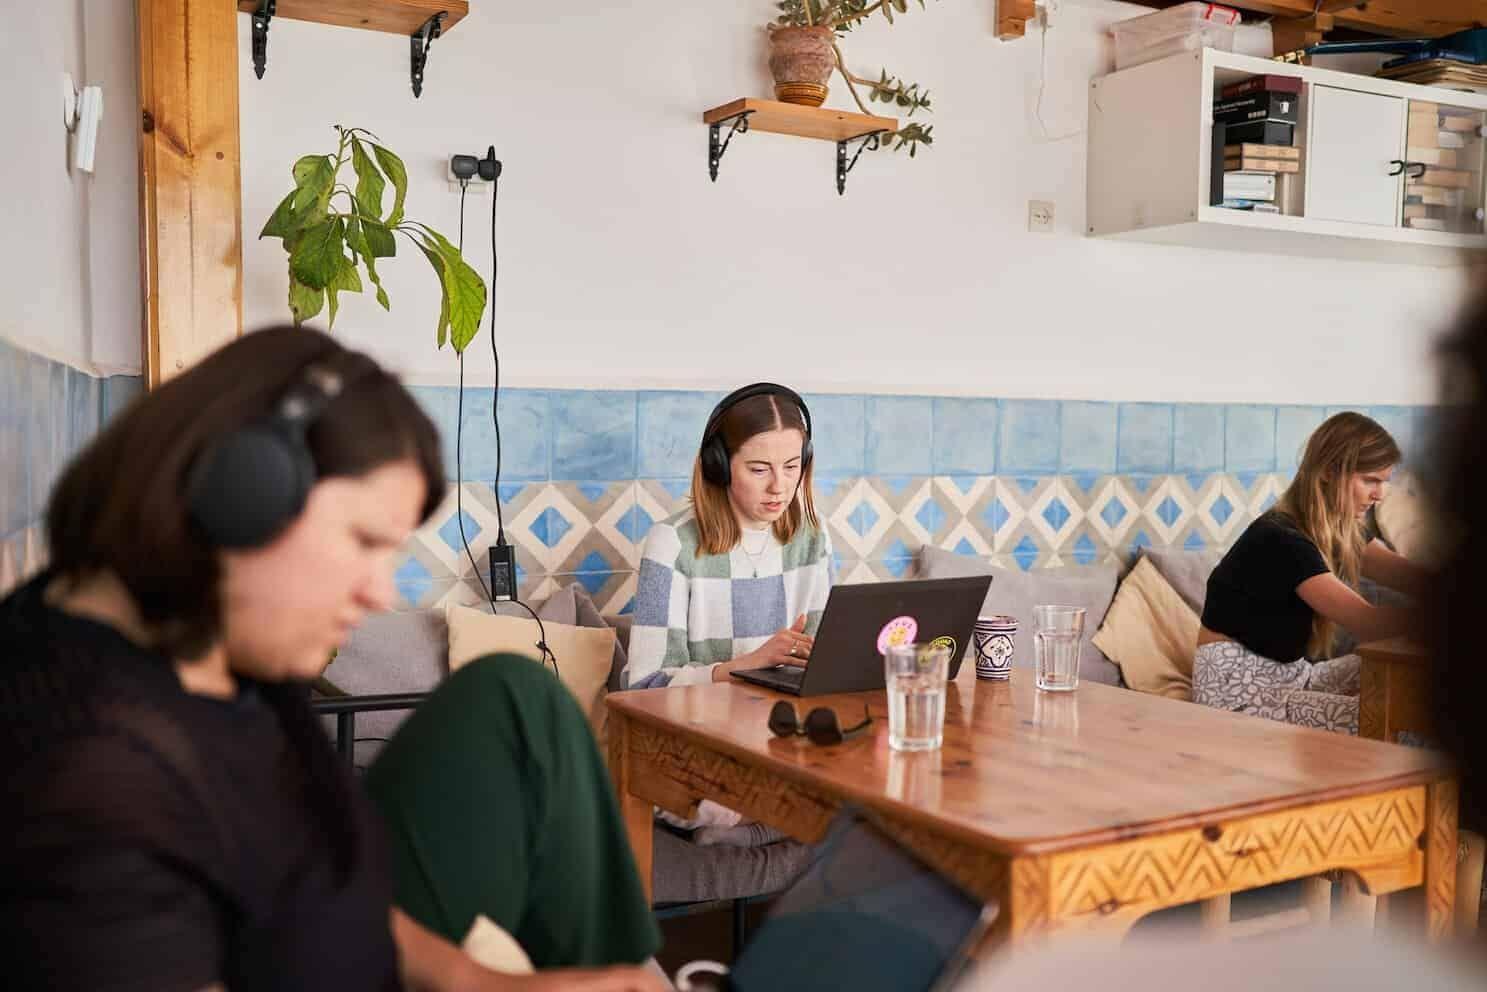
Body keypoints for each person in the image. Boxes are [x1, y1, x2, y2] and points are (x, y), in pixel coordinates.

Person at [0, 327, 663, 991]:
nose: (378, 591)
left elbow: (317, 863)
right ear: (234, 497)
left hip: (334, 935)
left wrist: (475, 981)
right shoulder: (84, 782)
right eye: (362, 540)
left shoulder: (220, 636)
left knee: (516, 695)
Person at [1192, 412, 1428, 734]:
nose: (1380, 494)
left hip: (1290, 677)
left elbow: (1404, 575)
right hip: (1239, 695)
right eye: (1371, 480)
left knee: (1406, 680)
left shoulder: (1334, 528)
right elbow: (1369, 623)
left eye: (1384, 481)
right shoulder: (1281, 538)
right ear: (1330, 471)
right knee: (1400, 720)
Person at [625, 383, 834, 689]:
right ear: (718, 467)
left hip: (787, 724)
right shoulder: (671, 543)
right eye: (759, 469)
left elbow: (823, 663)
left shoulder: (813, 536)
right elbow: (645, 684)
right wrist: (748, 665)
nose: (779, 486)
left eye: (791, 466)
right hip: (701, 727)